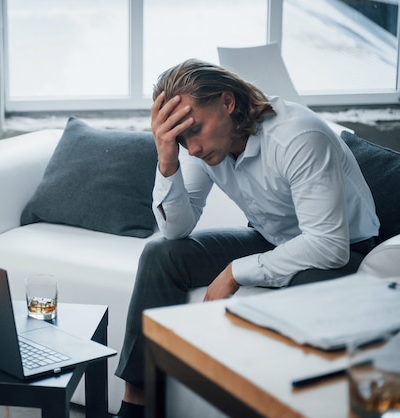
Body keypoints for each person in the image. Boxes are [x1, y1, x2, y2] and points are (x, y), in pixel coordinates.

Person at [113, 59, 380, 418]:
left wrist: (235, 272)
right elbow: (176, 230)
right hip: (272, 239)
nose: (191, 148)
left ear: (227, 102)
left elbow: (327, 245)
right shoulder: (197, 147)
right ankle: (137, 405)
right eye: (180, 138)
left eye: (195, 130)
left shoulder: (297, 136)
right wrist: (166, 160)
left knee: (311, 288)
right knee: (162, 254)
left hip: (346, 248)